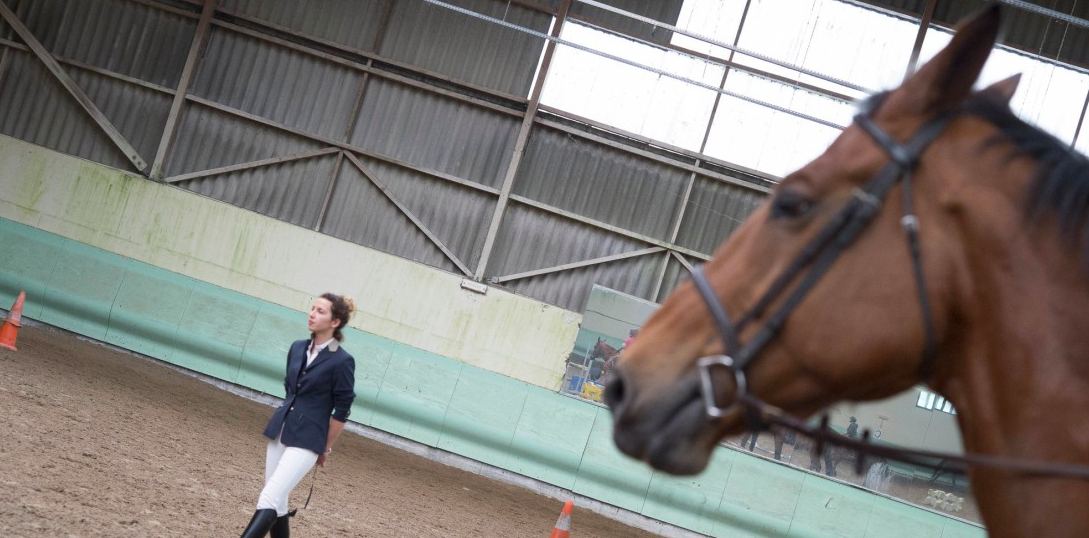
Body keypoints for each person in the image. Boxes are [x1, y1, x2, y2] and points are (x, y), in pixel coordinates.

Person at [238, 293, 357, 538]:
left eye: (320, 311)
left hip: (308, 438)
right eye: (312, 308)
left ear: (335, 322)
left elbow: (342, 410)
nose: (312, 314)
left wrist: (325, 447)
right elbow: (290, 388)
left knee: (268, 497)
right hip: (281, 429)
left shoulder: (342, 361)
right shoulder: (297, 347)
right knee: (278, 502)